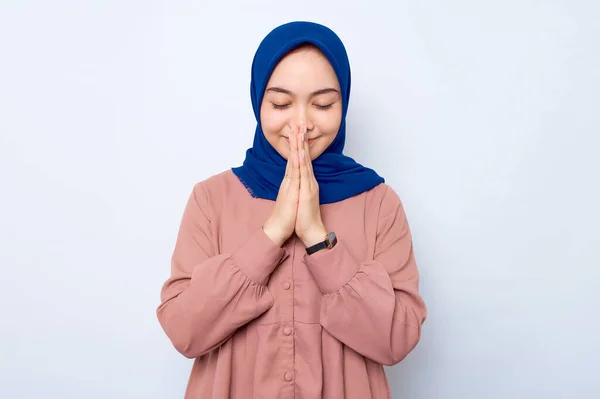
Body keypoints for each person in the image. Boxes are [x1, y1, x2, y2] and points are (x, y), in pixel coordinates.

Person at [157, 21, 427, 399]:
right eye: (281, 104)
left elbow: (398, 338)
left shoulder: (379, 203)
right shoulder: (211, 199)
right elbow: (184, 330)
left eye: (323, 104)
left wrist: (317, 238)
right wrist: (271, 235)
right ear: (258, 102)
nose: (301, 124)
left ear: (343, 104)